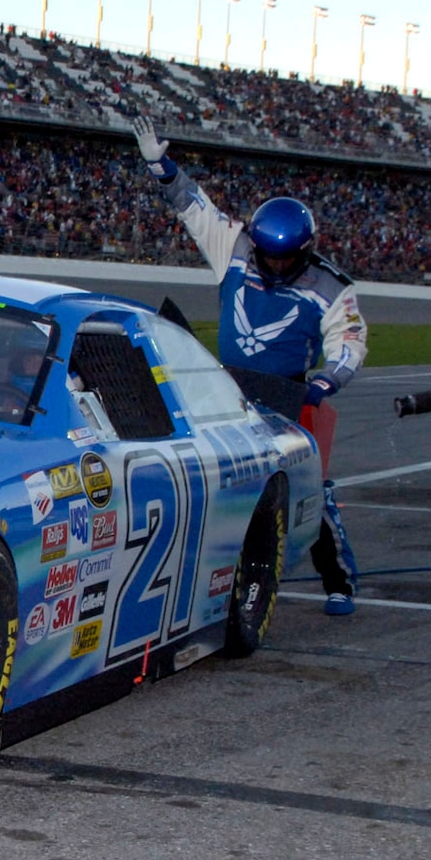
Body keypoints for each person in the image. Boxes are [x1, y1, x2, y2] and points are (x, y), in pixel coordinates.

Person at [133, 116, 366, 614]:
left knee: (307, 489)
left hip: (289, 394)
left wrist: (328, 378)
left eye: (286, 260)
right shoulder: (236, 247)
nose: (274, 266)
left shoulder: (331, 287)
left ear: (305, 251)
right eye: (268, 257)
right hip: (229, 390)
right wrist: (160, 165)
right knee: (219, 479)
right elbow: (196, 209)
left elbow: (350, 341)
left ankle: (338, 579)